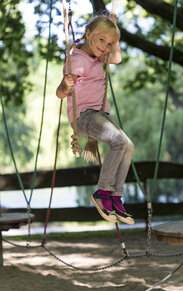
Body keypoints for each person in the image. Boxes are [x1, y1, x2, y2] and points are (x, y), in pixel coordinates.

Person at [56, 14, 135, 225]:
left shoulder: (98, 58)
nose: (106, 46)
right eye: (102, 40)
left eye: (110, 43)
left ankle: (115, 196)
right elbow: (60, 93)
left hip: (99, 115)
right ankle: (102, 193)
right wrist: (65, 85)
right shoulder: (76, 59)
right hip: (84, 116)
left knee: (128, 146)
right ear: (88, 34)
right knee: (119, 142)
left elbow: (117, 59)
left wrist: (115, 28)